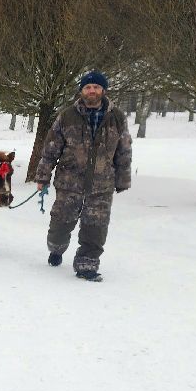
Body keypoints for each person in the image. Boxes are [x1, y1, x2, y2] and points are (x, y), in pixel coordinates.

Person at [34, 70, 132, 282]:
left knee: (95, 227)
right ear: (81, 91)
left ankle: (87, 264)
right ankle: (57, 248)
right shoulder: (67, 116)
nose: (92, 91)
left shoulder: (116, 117)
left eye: (96, 87)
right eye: (88, 87)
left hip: (101, 184)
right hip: (69, 182)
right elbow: (51, 148)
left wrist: (123, 178)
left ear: (103, 90)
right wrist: (43, 176)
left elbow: (124, 149)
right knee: (60, 225)